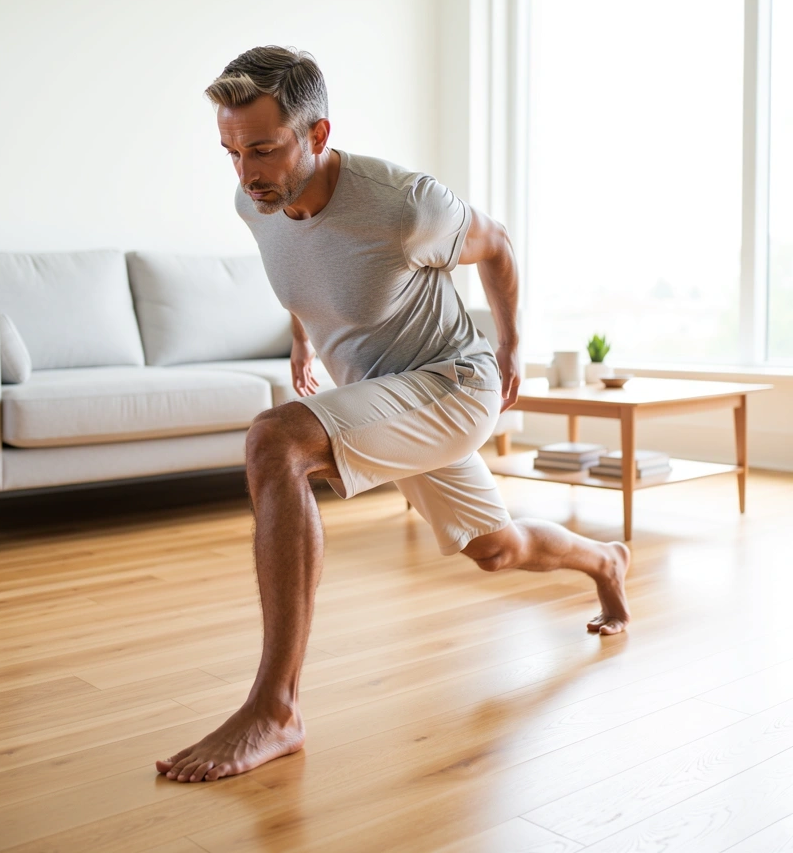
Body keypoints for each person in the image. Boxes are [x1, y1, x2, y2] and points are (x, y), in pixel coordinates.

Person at [156, 46, 630, 784]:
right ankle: (606, 561)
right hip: (384, 397)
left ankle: (275, 709)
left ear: (316, 136)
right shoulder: (257, 201)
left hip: (451, 386)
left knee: (275, 441)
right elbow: (307, 274)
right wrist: (301, 340)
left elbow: (498, 244)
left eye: (263, 148)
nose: (247, 171)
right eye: (231, 150)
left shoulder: (405, 204)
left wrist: (509, 348)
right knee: (493, 548)